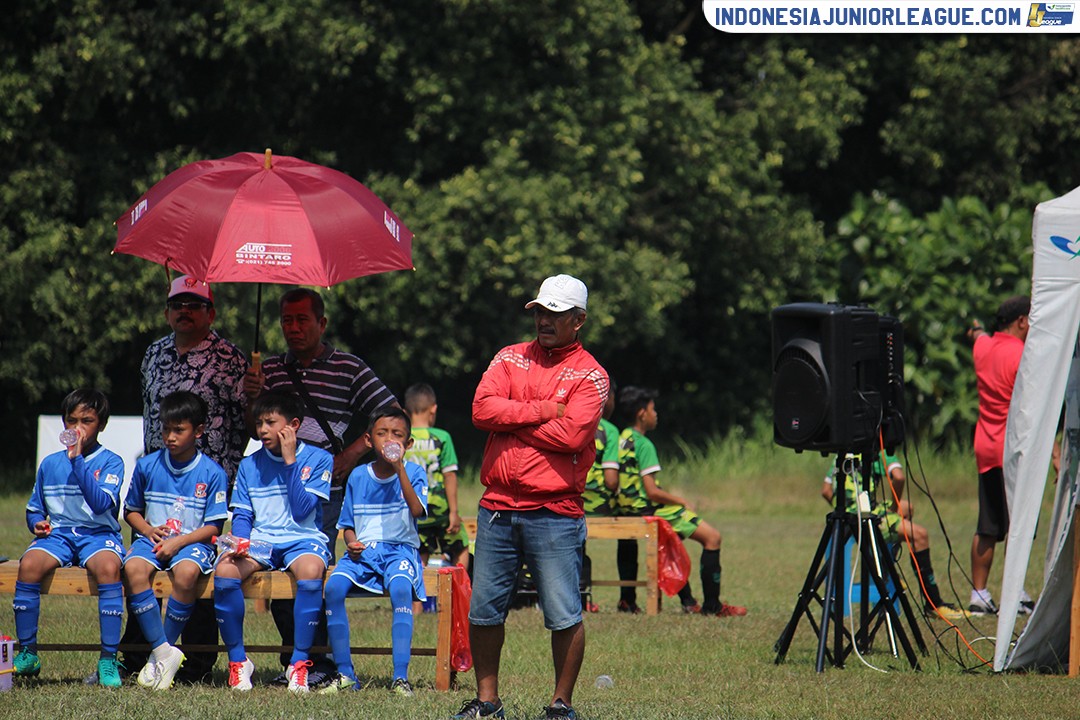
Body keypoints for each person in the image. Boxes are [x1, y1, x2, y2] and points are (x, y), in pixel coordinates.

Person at [452, 274, 608, 720]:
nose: (544, 320)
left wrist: (511, 419)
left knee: (562, 614)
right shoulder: (508, 357)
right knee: (484, 612)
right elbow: (482, 410)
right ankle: (487, 701)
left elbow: (573, 434)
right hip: (498, 507)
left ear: (578, 321)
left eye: (555, 314)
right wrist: (542, 410)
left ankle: (561, 704)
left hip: (554, 512)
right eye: (540, 311)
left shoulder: (592, 375)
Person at [243, 287, 397, 683]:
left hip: (325, 489)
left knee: (313, 574)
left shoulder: (349, 367)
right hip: (275, 489)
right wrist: (252, 397)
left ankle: (322, 664)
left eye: (302, 320)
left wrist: (354, 451)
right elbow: (257, 425)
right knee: (279, 578)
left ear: (321, 323)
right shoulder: (271, 370)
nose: (293, 328)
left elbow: (390, 412)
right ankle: (297, 662)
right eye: (286, 321)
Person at [128, 274, 248, 683]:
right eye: (178, 303)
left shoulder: (230, 358)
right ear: (167, 311)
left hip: (206, 483)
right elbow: (149, 413)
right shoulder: (153, 353)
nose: (184, 311)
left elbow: (245, 421)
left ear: (210, 313)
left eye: (194, 304)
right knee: (143, 565)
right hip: (157, 480)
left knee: (194, 578)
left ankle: (194, 661)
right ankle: (141, 655)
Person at [214, 390, 334, 692]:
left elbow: (303, 510)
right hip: (262, 541)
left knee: (309, 571)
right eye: (259, 423)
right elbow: (242, 512)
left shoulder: (319, 459)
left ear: (293, 425)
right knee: (226, 571)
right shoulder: (250, 465)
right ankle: (239, 662)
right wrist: (239, 541)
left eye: (270, 422)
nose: (262, 430)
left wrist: (291, 461)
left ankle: (299, 664)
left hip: (303, 539)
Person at [13, 389, 126, 686]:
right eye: (71, 420)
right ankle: (28, 652)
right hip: (60, 535)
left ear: (101, 424)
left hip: (98, 535)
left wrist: (78, 462)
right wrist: (37, 523)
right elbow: (35, 509)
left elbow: (102, 504)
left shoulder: (112, 462)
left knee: (109, 568)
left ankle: (108, 660)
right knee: (28, 565)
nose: (77, 428)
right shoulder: (50, 464)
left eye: (86, 421)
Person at [121, 391, 230, 690]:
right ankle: (163, 653)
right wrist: (147, 530)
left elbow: (213, 528)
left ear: (198, 431)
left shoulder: (212, 472)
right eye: (166, 428)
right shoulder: (147, 466)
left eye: (178, 430)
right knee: (132, 570)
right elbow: (131, 511)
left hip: (193, 543)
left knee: (186, 573)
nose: (170, 436)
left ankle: (161, 655)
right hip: (152, 539)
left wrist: (178, 542)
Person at [322, 407, 429, 696]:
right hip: (363, 553)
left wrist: (400, 469)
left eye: (397, 435)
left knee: (400, 589)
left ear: (408, 444)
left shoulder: (416, 472)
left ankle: (400, 677)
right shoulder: (357, 476)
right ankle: (345, 673)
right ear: (369, 440)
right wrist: (352, 541)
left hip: (400, 552)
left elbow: (417, 510)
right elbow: (347, 524)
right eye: (382, 434)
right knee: (332, 589)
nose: (389, 440)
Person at [614, 386, 747, 618]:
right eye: (653, 410)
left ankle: (688, 600)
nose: (656, 415)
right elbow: (652, 491)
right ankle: (713, 606)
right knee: (713, 538)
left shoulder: (622, 438)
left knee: (672, 541)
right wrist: (681, 501)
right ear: (641, 413)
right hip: (648, 509)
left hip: (628, 509)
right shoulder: (644, 444)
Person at [821, 452, 967, 621]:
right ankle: (934, 604)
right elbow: (899, 477)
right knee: (920, 535)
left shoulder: (841, 452)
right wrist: (892, 508)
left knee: (907, 508)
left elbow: (825, 491)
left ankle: (884, 564)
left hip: (845, 520)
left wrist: (846, 511)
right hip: (866, 520)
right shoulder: (878, 450)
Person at [967, 295, 1034, 616]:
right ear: (1021, 321)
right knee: (1019, 523)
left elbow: (977, 335)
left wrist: (976, 330)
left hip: (985, 446)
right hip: (1012, 448)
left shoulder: (984, 348)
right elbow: (1029, 410)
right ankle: (1015, 591)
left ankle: (979, 593)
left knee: (988, 524)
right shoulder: (1022, 355)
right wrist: (1053, 452)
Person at [403, 383, 468, 571]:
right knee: (460, 546)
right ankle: (460, 593)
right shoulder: (442, 437)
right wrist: (454, 512)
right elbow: (450, 476)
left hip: (413, 510)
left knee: (420, 554)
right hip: (440, 512)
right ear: (433, 409)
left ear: (406, 412)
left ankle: (419, 598)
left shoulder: (402, 438)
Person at [581, 382, 621, 613]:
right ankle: (628, 597)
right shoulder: (609, 430)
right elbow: (611, 480)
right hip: (598, 508)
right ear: (607, 399)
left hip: (568, 501)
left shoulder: (573, 421)